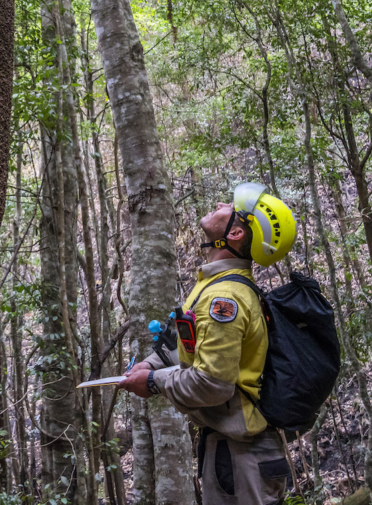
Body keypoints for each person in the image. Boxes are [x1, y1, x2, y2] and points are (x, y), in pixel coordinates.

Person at [118, 182, 297, 505]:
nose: (218, 203)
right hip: (235, 454)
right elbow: (195, 348)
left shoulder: (223, 298)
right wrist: (153, 363)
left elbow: (213, 384)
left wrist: (154, 382)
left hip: (243, 460)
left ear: (236, 234)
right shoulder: (217, 285)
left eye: (230, 207)